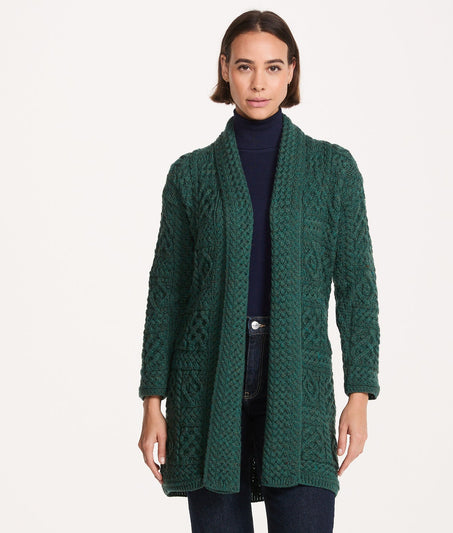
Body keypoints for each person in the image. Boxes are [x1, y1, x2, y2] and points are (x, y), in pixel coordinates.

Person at [137, 9, 380, 533]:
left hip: (300, 376)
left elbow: (357, 288)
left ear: (292, 72)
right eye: (245, 66)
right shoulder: (190, 175)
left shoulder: (333, 169)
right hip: (206, 380)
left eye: (273, 67)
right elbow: (166, 294)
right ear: (225, 69)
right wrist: (152, 402)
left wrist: (359, 394)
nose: (258, 83)